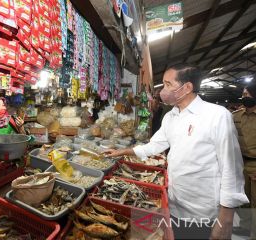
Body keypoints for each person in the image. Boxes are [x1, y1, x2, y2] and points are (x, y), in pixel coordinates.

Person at [104, 64, 248, 239]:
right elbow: (154, 145)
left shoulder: (217, 116)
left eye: (168, 85)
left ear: (187, 87)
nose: (162, 91)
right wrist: (122, 151)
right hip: (174, 203)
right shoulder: (171, 116)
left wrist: (226, 217)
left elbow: (231, 167)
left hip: (203, 210)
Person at [232, 83, 256, 237]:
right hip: (240, 164)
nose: (244, 97)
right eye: (243, 95)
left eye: (247, 95)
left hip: (255, 164)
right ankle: (246, 227)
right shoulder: (236, 116)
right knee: (243, 200)